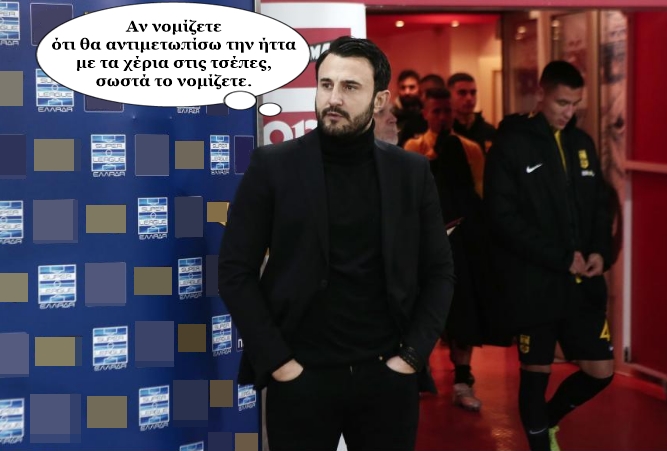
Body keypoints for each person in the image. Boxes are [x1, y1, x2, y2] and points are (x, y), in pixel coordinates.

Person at [218, 36, 455, 451]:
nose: (333, 98)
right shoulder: (273, 166)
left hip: (387, 380)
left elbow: (439, 271)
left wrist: (411, 357)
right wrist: (280, 363)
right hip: (300, 380)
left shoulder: (411, 172)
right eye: (326, 84)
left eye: (350, 87)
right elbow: (235, 271)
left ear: (379, 100)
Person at [484, 60, 614, 451]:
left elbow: (599, 207)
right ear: (541, 94)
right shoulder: (511, 144)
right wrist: (560, 257)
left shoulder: (582, 144)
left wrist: (599, 252)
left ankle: (547, 420)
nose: (568, 112)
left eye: (575, 104)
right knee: (535, 372)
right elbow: (501, 217)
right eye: (561, 102)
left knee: (601, 371)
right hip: (533, 285)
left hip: (581, 286)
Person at [404, 87, 490, 412]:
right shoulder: (412, 148)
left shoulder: (471, 149)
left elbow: (480, 193)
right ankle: (417, 370)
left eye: (447, 111)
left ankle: (463, 378)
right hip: (424, 242)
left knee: (463, 308)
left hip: (462, 240)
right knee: (422, 308)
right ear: (425, 113)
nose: (442, 117)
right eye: (436, 111)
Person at [447, 72, 496, 154]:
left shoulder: (489, 131)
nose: (469, 98)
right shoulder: (445, 130)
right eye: (462, 93)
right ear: (449, 96)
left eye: (473, 93)